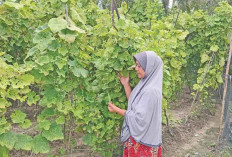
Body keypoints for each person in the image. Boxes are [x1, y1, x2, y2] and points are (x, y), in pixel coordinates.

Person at [108, 51, 163, 157]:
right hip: (140, 141)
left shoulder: (150, 91)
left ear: (149, 67)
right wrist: (126, 84)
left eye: (139, 66)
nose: (136, 69)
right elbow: (136, 104)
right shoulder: (146, 84)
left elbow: (138, 118)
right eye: (136, 65)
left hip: (143, 144)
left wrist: (116, 110)